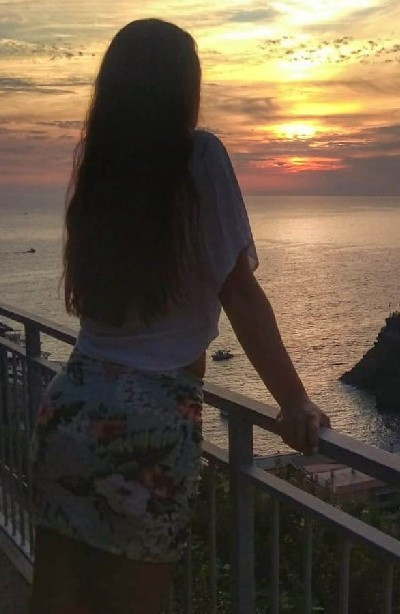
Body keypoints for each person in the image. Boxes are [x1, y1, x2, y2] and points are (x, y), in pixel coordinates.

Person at [29, 18, 330, 614]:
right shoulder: (200, 156)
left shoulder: (99, 164)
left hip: (71, 406)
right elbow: (237, 291)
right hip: (149, 424)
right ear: (180, 90)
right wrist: (294, 400)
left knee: (58, 598)